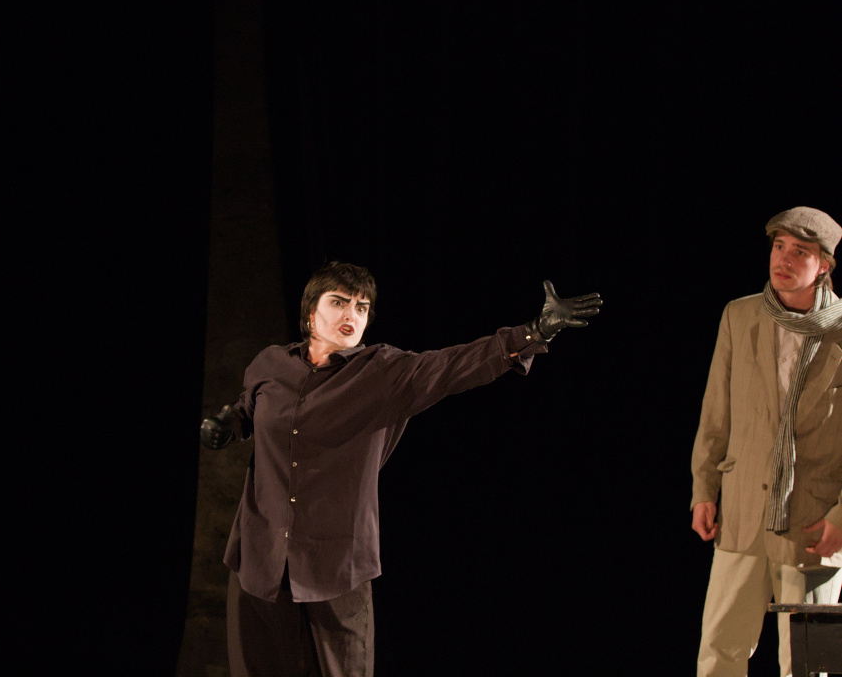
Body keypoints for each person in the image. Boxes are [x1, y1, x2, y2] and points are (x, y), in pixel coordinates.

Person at [200, 261, 601, 677]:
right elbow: (248, 407)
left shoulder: (383, 372)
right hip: (260, 556)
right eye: (339, 302)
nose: (351, 314)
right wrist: (228, 425)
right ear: (310, 314)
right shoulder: (270, 364)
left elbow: (453, 366)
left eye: (361, 307)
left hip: (335, 565)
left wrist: (534, 331)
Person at [691, 206, 842, 677]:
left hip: (815, 524)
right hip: (743, 514)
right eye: (779, 247)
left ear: (824, 265)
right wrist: (703, 489)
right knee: (720, 652)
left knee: (809, 664)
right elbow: (716, 414)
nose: (784, 259)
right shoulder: (740, 316)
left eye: (800, 251)